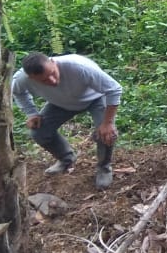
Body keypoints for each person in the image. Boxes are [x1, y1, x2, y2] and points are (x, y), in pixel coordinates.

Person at [12, 52, 123, 190]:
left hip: (95, 98)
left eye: (53, 73)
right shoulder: (22, 79)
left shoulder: (78, 67)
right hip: (61, 104)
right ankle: (66, 159)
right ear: (31, 78)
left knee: (106, 133)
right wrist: (31, 113)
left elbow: (114, 89)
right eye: (44, 80)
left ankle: (104, 168)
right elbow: (18, 92)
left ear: (53, 62)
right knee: (39, 132)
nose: (52, 80)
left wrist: (108, 123)